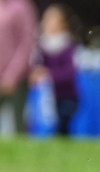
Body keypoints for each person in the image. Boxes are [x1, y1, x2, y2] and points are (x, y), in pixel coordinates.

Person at [0, 0, 37, 134]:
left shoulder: (22, 7)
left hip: (18, 76)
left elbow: (26, 43)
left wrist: (12, 75)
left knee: (18, 124)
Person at [30, 4, 80, 137]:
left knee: (61, 129)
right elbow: (36, 67)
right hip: (46, 97)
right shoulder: (40, 45)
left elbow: (70, 72)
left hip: (65, 96)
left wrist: (49, 74)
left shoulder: (68, 45)